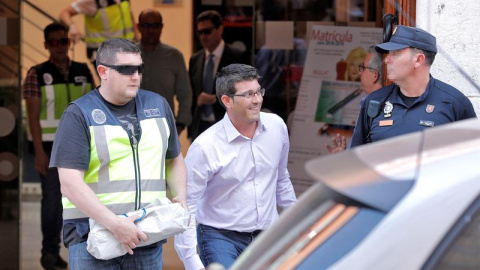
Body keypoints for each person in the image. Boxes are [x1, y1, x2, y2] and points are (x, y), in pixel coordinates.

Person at [49, 38, 187, 269]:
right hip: (92, 238)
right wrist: (115, 224)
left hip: (146, 234)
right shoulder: (79, 114)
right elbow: (70, 184)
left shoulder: (159, 105)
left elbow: (174, 159)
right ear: (103, 71)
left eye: (139, 68)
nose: (135, 76)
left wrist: (181, 196)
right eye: (125, 70)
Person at [175, 64, 297, 270]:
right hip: (220, 237)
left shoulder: (277, 127)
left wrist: (298, 221)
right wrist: (191, 260)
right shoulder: (205, 147)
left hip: (267, 235)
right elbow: (186, 205)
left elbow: (281, 178)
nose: (257, 100)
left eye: (259, 91)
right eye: (248, 94)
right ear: (226, 100)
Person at [23, 22, 94, 270]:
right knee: (52, 204)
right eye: (54, 42)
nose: (60, 46)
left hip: (82, 147)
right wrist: (39, 153)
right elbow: (32, 117)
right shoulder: (35, 73)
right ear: (46, 45)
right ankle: (49, 254)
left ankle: (83, 251)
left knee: (83, 201)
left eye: (64, 41)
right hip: (50, 150)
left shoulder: (83, 70)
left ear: (69, 42)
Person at [349, 25, 476, 147]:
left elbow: (472, 159)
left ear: (418, 60)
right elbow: (355, 158)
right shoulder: (375, 101)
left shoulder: (454, 103)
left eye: (396, 53)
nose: (387, 59)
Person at [188, 10, 249, 141]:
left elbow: (244, 91)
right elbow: (191, 93)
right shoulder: (195, 59)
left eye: (207, 31)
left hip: (227, 124)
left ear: (220, 29)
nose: (203, 36)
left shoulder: (236, 57)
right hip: (200, 126)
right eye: (200, 32)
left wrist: (216, 98)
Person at [137, 9, 192, 135]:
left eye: (155, 25)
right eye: (146, 25)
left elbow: (185, 94)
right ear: (139, 27)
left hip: (164, 130)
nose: (151, 30)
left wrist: (180, 124)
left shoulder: (174, 56)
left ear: (161, 27)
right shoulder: (128, 55)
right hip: (132, 129)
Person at [327, 46, 384, 153]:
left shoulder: (379, 108)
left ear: (374, 75)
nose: (359, 72)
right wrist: (344, 155)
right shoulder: (368, 103)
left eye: (362, 68)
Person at [59, 0, 140, 67]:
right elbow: (64, 13)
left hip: (128, 50)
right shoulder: (92, 2)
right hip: (105, 54)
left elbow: (128, 14)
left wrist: (138, 37)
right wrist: (72, 27)